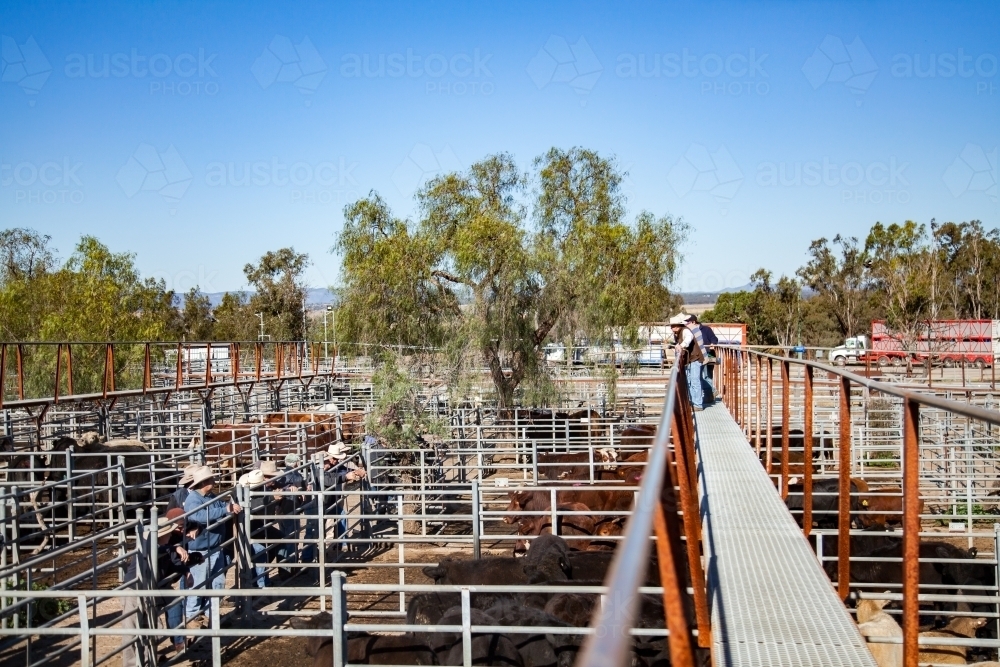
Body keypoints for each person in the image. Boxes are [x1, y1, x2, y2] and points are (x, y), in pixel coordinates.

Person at [119, 514, 194, 666]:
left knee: (149, 627)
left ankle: (148, 659)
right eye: (169, 532)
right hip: (134, 590)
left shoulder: (164, 548)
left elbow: (171, 564)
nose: (171, 534)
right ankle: (133, 664)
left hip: (148, 590)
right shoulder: (148, 544)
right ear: (163, 535)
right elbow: (155, 549)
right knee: (132, 629)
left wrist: (186, 570)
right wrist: (175, 547)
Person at [182, 465, 241, 626]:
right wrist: (225, 510)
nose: (214, 481)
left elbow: (217, 509)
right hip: (200, 549)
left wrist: (226, 508)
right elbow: (198, 516)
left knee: (217, 583)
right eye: (211, 479)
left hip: (214, 547)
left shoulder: (209, 496)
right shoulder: (193, 499)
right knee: (198, 585)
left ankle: (211, 615)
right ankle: (192, 617)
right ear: (203, 482)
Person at [317, 442, 367, 555]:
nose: (337, 460)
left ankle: (340, 544)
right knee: (328, 525)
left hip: (331, 499)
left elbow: (342, 470)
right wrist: (350, 474)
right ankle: (328, 549)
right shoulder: (324, 468)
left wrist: (354, 472)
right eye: (335, 458)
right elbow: (337, 475)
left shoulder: (334, 466)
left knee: (339, 517)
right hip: (326, 501)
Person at [670, 313, 705, 411]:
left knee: (694, 381)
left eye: (673, 326)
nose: (672, 328)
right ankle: (693, 402)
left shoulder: (685, 330)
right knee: (690, 381)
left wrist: (681, 345)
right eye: (671, 326)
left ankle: (697, 404)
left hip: (694, 358)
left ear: (678, 325)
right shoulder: (679, 333)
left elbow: (688, 338)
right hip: (690, 359)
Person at [688, 314, 719, 404]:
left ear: (693, 322)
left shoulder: (706, 329)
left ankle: (710, 393)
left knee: (706, 375)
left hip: (707, 354)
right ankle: (710, 393)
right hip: (697, 356)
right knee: (698, 376)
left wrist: (713, 343)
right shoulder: (690, 331)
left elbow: (714, 339)